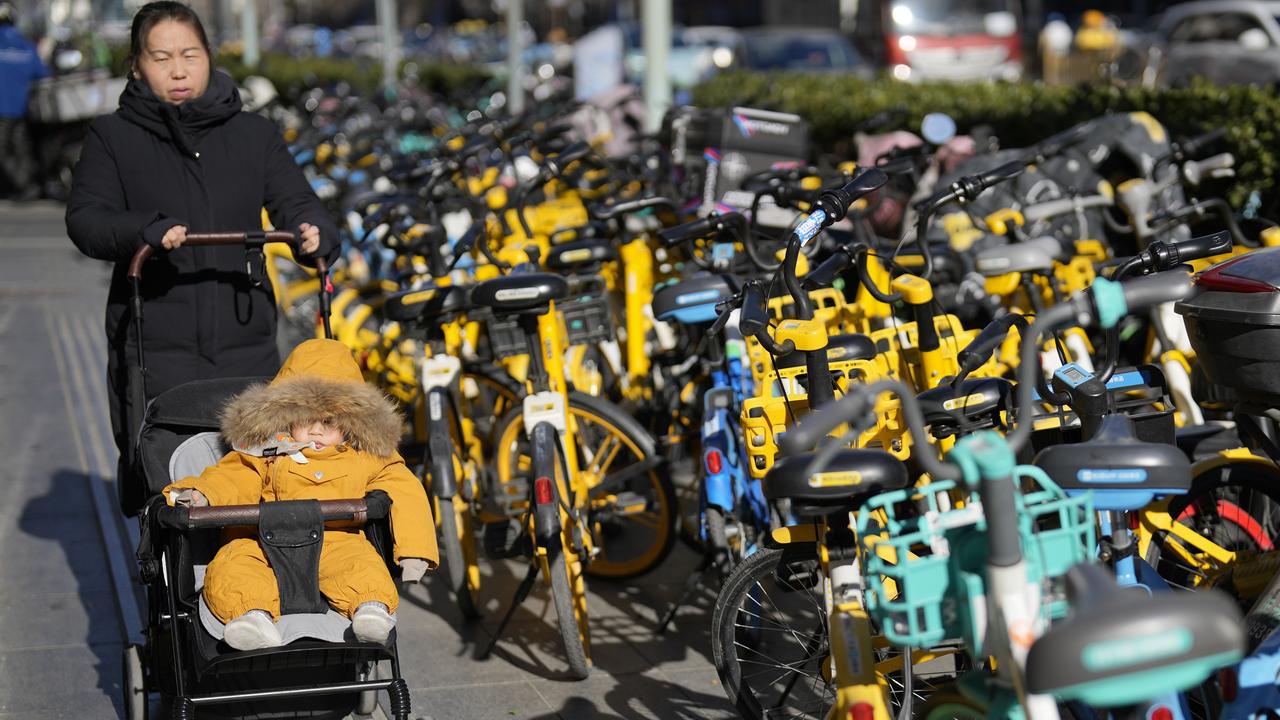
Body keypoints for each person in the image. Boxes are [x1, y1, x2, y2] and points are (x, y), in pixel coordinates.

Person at [64, 1, 339, 514]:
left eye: (190, 54)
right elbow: (86, 220)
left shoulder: (253, 134)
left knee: (255, 487)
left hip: (246, 342)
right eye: (161, 56)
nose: (178, 69)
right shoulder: (113, 137)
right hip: (155, 343)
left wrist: (314, 232)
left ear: (209, 56)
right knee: (168, 498)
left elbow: (297, 200)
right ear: (136, 65)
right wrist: (144, 230)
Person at [164, 339, 438, 650]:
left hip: (335, 539)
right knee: (233, 566)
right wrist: (200, 494)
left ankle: (371, 609)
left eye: (329, 422)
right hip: (260, 540)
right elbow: (232, 477)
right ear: (287, 416)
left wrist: (416, 551)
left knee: (361, 565)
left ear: (351, 422)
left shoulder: (365, 456)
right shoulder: (266, 452)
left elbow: (405, 488)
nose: (317, 431)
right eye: (307, 420)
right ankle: (251, 616)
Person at [0, 1, 48, 200]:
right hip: (21, 109)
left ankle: (22, 186)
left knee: (3, 151)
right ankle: (25, 185)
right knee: (21, 150)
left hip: (2, 111)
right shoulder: (26, 45)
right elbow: (43, 74)